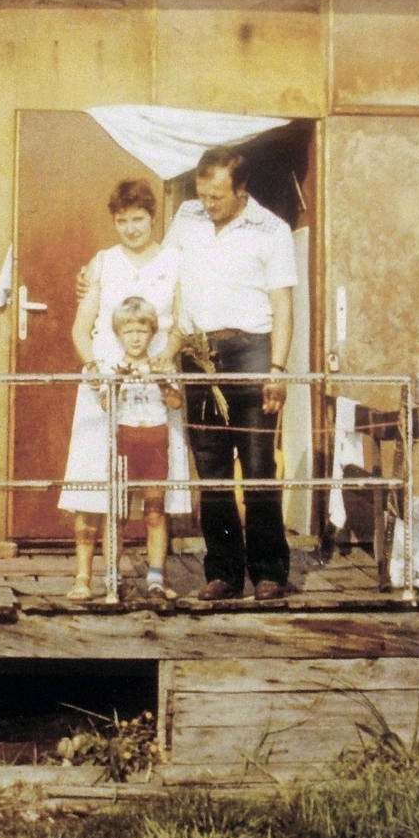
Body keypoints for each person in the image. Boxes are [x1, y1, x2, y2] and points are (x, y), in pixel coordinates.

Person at [170, 146, 297, 601]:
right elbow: (163, 274)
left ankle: (268, 572)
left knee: (259, 464)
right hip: (198, 353)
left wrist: (277, 370)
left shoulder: (272, 230)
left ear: (241, 189)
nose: (208, 204)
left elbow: (283, 307)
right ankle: (223, 572)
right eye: (203, 193)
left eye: (218, 196)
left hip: (251, 352)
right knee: (211, 468)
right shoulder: (185, 217)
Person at [59, 179, 189, 602]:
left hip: (154, 386)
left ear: (153, 217)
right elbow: (81, 327)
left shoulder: (174, 261)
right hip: (105, 384)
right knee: (94, 476)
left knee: (153, 485)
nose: (131, 229)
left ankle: (156, 574)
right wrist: (95, 370)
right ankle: (84, 576)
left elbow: (180, 326)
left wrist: (165, 357)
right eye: (122, 221)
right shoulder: (102, 262)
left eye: (139, 219)